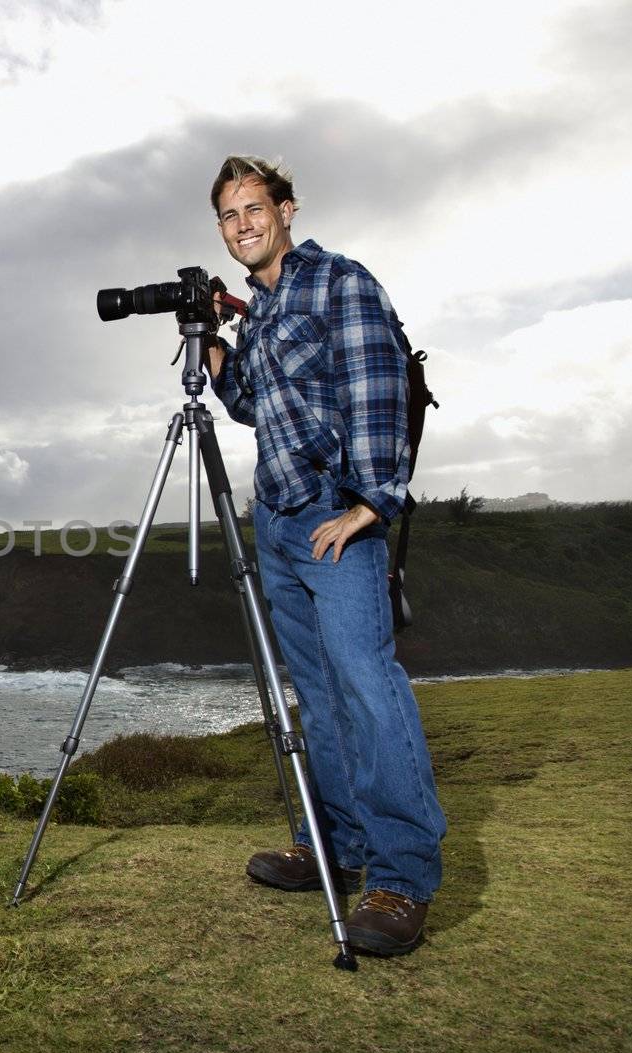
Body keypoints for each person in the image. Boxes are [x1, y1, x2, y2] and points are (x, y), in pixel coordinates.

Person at [204, 155, 445, 956]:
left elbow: (376, 385)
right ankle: (330, 844)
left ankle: (401, 876)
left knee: (368, 687)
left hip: (335, 519)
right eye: (229, 216)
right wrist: (216, 358)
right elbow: (255, 404)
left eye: (253, 208)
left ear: (286, 209)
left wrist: (371, 504)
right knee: (320, 695)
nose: (243, 225)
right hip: (277, 522)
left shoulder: (340, 282)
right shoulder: (260, 312)